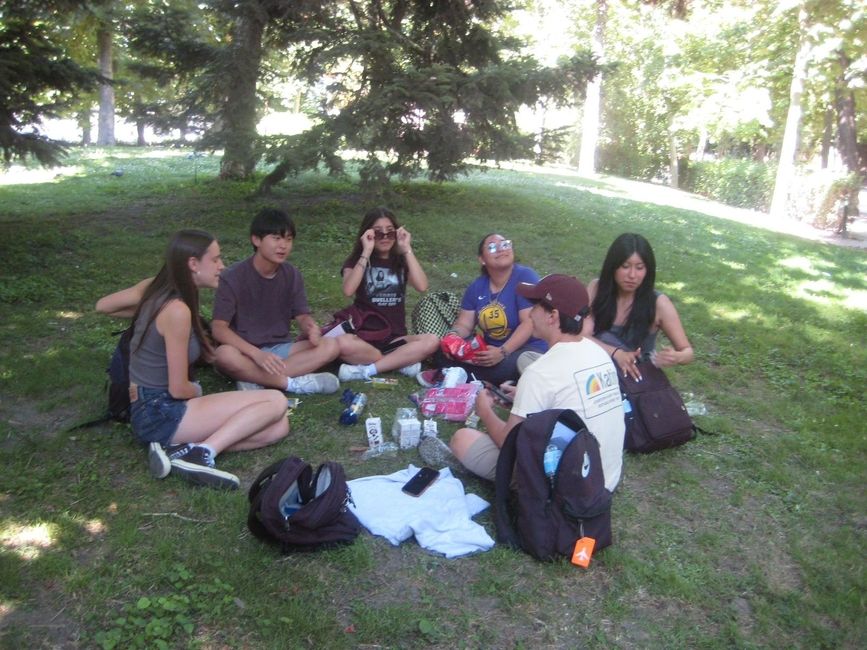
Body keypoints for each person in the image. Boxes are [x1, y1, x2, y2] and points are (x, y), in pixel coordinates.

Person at [420, 274, 625, 495]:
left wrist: (485, 411)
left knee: (462, 439)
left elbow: (509, 443)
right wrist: (522, 397)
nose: (530, 314)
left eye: (535, 306)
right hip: (605, 478)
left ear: (552, 316)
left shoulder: (540, 372)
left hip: (566, 490)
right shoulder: (596, 352)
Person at [125, 230, 289, 490]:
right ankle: (202, 453)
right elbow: (179, 389)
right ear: (193, 264)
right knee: (276, 400)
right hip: (159, 411)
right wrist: (198, 390)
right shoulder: (176, 310)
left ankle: (180, 450)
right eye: (215, 259)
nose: (221, 266)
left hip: (150, 409)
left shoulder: (164, 295)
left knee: (278, 427)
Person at [211, 208, 341, 394]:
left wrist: (310, 328)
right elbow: (219, 328)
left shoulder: (292, 274)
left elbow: (302, 316)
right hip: (244, 351)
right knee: (224, 355)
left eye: (288, 239)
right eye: (276, 238)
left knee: (330, 345)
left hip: (280, 349)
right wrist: (257, 355)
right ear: (256, 240)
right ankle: (292, 383)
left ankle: (254, 380)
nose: (283, 246)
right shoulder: (232, 277)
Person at [423, 233, 546, 386]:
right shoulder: (477, 287)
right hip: (489, 352)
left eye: (505, 244)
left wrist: (502, 352)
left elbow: (529, 323)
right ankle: (468, 375)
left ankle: (453, 374)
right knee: (442, 352)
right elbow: (464, 325)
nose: (501, 249)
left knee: (512, 365)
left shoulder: (525, 276)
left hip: (527, 349)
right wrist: (453, 338)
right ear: (482, 259)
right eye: (492, 247)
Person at [335, 207, 440, 382]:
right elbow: (348, 290)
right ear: (367, 234)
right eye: (378, 233)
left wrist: (406, 248)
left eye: (390, 233)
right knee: (342, 343)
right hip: (363, 338)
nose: (384, 237)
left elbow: (422, 286)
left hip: (395, 338)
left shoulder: (400, 260)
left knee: (432, 341)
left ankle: (367, 370)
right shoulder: (357, 259)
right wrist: (366, 252)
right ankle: (398, 362)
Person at [583, 233, 693, 381]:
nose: (632, 275)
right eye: (625, 266)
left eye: (640, 268)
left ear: (648, 270)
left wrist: (677, 357)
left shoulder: (659, 303)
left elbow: (688, 352)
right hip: (593, 371)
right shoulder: (596, 288)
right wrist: (616, 353)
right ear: (613, 267)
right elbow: (579, 335)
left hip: (635, 380)